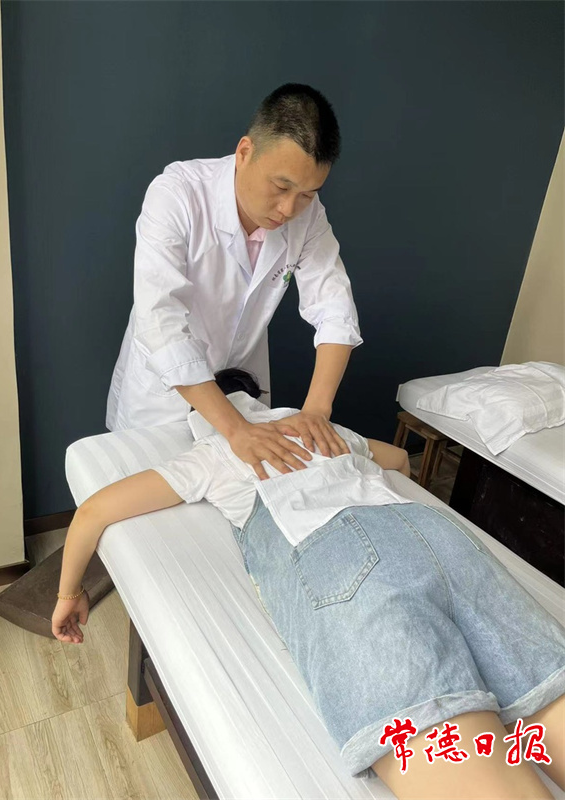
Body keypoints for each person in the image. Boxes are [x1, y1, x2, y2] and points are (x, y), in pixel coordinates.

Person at [56, 369, 565, 800]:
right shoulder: (324, 428)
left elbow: (95, 511)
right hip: (438, 538)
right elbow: (398, 460)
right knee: (546, 692)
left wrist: (68, 595)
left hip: (345, 560)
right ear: (259, 399)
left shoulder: (214, 452)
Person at [106, 84, 363, 481]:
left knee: (237, 490)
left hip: (242, 389)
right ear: (245, 152)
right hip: (163, 396)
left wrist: (316, 410)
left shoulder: (309, 217)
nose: (288, 209)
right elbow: (160, 322)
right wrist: (235, 429)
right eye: (281, 187)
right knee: (152, 495)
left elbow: (335, 309)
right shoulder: (178, 194)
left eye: (307, 194)